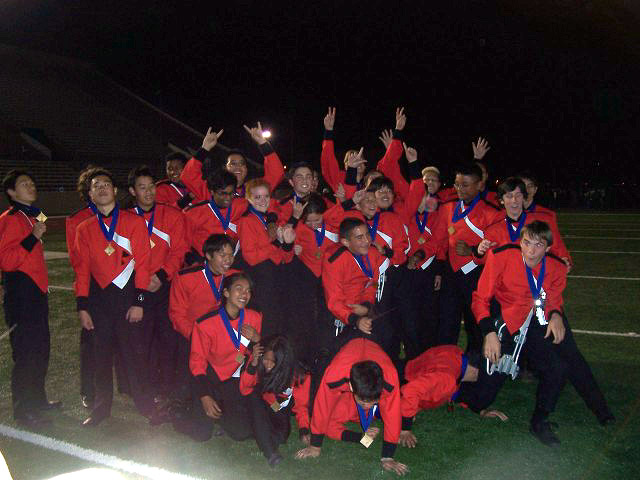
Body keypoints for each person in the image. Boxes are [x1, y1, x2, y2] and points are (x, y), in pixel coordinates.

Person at [469, 221, 614, 445]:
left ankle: (540, 419)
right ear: (520, 242)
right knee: (481, 398)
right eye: (527, 243)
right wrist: (489, 333)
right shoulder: (501, 257)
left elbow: (553, 298)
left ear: (548, 248)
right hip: (507, 324)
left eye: (538, 245)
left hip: (535, 324)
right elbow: (480, 299)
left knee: (558, 367)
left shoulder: (556, 267)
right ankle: (460, 378)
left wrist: (555, 314)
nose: (531, 250)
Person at [74, 168, 156, 426]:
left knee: (135, 355)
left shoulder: (134, 222)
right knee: (100, 358)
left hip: (128, 299)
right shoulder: (84, 228)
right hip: (99, 303)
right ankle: (100, 409)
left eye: (106, 184)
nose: (102, 188)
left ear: (115, 190)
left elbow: (144, 265)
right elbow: (82, 271)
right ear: (90, 194)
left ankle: (146, 405)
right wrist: (82, 307)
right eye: (96, 186)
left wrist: (139, 302)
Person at [181, 273, 285, 466]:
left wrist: (258, 339)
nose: (245, 294)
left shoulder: (254, 317)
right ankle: (177, 411)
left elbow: (259, 352)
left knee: (240, 433)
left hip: (237, 381)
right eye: (239, 289)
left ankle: (225, 418)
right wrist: (205, 395)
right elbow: (197, 363)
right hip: (211, 379)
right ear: (226, 293)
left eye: (248, 291)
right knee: (201, 434)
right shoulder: (206, 323)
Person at [295, 338, 407, 476]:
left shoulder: (390, 380)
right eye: (363, 402)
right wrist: (315, 446)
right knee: (327, 419)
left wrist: (388, 457)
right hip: (347, 357)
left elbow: (393, 415)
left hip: (375, 351)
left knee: (394, 408)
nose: (367, 406)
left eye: (373, 402)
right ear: (351, 388)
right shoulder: (334, 376)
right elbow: (322, 407)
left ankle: (374, 408)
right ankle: (365, 424)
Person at [0, 170, 59, 428]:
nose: (31, 186)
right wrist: (33, 236)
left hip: (36, 292)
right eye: (24, 184)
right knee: (26, 352)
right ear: (11, 192)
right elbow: (7, 260)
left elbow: (42, 223)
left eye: (32, 182)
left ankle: (38, 400)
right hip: (21, 294)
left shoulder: (32, 214)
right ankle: (24, 410)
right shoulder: (9, 219)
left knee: (40, 348)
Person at [127, 165, 188, 404]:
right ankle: (145, 388)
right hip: (137, 288)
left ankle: (167, 388)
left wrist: (161, 276)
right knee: (141, 341)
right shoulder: (125, 218)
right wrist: (143, 280)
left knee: (167, 338)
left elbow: (179, 250)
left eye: (151, 186)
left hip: (165, 287)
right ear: (132, 191)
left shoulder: (171, 215)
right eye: (142, 188)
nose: (148, 192)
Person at [438, 162, 500, 353]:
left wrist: (473, 251)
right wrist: (439, 268)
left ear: (480, 185)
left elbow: (496, 251)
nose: (460, 189)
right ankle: (446, 363)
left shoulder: (492, 213)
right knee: (446, 325)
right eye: (457, 184)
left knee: (475, 325)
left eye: (465, 185)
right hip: (451, 275)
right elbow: (440, 241)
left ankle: (476, 364)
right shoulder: (448, 208)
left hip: (477, 275)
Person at [169, 234, 239, 401]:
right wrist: (197, 337)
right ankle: (181, 404)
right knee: (187, 383)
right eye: (222, 255)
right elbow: (177, 315)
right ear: (208, 255)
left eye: (231, 255)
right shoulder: (186, 277)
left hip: (223, 338)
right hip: (192, 335)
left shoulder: (236, 277)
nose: (228, 260)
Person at [398, 345, 507, 448]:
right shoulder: (448, 378)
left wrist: (481, 410)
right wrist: (405, 428)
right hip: (394, 389)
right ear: (476, 370)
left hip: (400, 371)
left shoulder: (455, 355)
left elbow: (458, 392)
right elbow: (410, 390)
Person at [237, 178, 295, 338]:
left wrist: (288, 244)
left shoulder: (270, 220)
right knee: (268, 326)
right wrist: (276, 243)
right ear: (249, 199)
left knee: (281, 325)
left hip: (277, 278)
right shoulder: (247, 221)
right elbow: (251, 257)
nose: (263, 201)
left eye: (266, 196)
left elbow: (285, 258)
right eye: (257, 197)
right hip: (260, 281)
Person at [239, 335, 311, 462]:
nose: (267, 364)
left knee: (281, 437)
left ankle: (257, 428)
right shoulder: (258, 360)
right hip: (256, 401)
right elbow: (245, 389)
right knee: (253, 399)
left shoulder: (299, 375)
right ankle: (270, 453)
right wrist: (253, 364)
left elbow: (301, 406)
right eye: (265, 359)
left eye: (272, 361)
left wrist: (304, 430)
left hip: (275, 405)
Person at [475, 177, 572, 267]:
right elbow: (485, 262)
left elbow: (559, 250)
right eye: (509, 196)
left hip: (538, 276)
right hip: (509, 278)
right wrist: (480, 252)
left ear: (524, 197)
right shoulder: (493, 230)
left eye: (518, 195)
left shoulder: (543, 220)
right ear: (501, 200)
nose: (514, 200)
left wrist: (564, 260)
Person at [180, 124, 285, 202]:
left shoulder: (254, 191)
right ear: (225, 168)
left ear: (246, 170)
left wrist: (263, 143)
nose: (238, 167)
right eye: (233, 164)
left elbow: (276, 174)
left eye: (242, 164)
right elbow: (188, 176)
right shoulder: (213, 191)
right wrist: (205, 148)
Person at [183, 169, 246, 264]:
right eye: (223, 194)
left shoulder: (241, 205)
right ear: (212, 192)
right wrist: (194, 262)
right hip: (205, 263)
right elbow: (182, 244)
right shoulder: (194, 214)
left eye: (231, 193)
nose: (228, 198)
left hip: (235, 260)